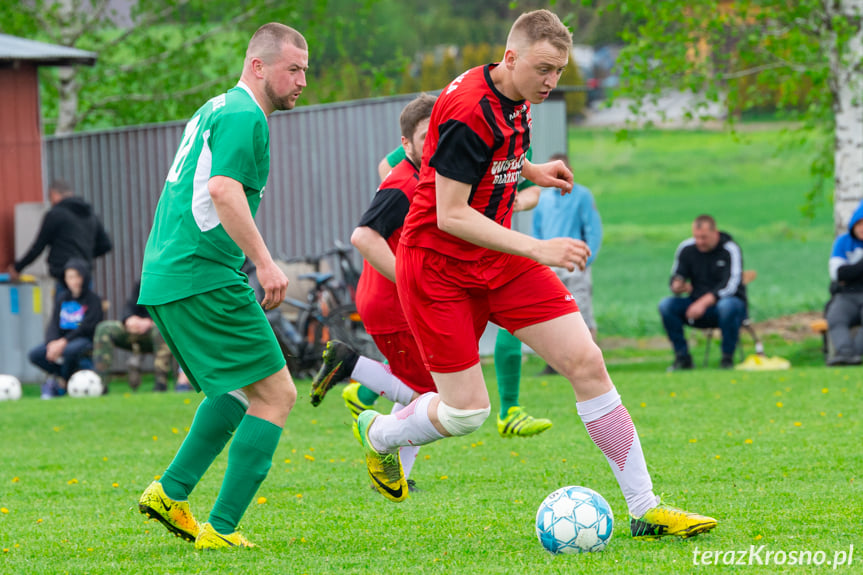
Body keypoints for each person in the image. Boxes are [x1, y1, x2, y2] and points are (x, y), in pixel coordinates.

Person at [352, 9, 717, 541]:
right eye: (544, 69)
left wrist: (534, 171)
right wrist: (538, 247)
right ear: (511, 57)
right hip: (437, 269)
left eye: (559, 72)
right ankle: (380, 433)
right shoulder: (465, 109)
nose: (551, 82)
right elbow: (451, 213)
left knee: (587, 361)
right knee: (467, 413)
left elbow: (494, 155)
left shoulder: (517, 97)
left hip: (495, 260)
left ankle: (646, 507)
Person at [136, 23, 307, 550]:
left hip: (170, 276)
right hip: (202, 275)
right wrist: (265, 262)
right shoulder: (243, 114)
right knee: (277, 394)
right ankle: (222, 530)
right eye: (292, 69)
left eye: (305, 70)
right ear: (258, 66)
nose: (302, 80)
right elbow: (223, 189)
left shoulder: (216, 107)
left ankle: (170, 492)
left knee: (236, 390)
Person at [379, 144, 552, 439]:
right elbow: (388, 166)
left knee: (516, 328)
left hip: (497, 254)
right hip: (446, 262)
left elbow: (533, 190)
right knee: (447, 373)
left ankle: (510, 409)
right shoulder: (455, 123)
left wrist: (510, 201)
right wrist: (425, 201)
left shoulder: (518, 133)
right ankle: (371, 397)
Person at [309, 94, 437, 492]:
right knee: (428, 392)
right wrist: (409, 279)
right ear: (406, 145)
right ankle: (351, 366)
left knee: (426, 387)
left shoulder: (427, 178)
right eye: (424, 135)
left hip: (397, 302)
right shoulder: (402, 184)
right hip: (390, 304)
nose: (434, 142)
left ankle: (397, 474)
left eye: (440, 133)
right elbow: (362, 236)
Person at [531, 152, 602, 375]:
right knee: (552, 313)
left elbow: (593, 230)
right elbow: (537, 231)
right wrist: (540, 259)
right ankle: (556, 362)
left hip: (575, 264)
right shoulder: (543, 199)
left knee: (581, 311)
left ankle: (589, 361)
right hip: (550, 265)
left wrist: (585, 259)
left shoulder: (582, 196)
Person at [659, 214, 746, 370]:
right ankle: (682, 357)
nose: (699, 242)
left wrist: (703, 302)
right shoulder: (686, 248)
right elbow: (677, 275)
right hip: (695, 306)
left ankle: (727, 359)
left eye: (704, 238)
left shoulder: (730, 249)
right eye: (696, 237)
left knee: (727, 306)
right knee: (666, 305)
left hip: (728, 307)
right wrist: (677, 286)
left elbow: (731, 285)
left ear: (715, 233)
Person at [7, 179, 112, 291]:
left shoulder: (56, 214)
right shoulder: (89, 214)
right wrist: (84, 253)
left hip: (65, 277)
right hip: (85, 276)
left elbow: (38, 247)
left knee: (64, 308)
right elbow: (106, 245)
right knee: (85, 308)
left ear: (54, 194)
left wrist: (17, 268)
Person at [93, 280, 192, 392]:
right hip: (135, 330)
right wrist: (129, 319)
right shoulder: (143, 283)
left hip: (159, 331)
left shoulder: (172, 284)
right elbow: (130, 306)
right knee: (104, 328)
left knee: (160, 330)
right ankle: (100, 385)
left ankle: (160, 385)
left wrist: (150, 322)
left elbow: (174, 315)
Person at [29, 258, 103, 399]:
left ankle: (62, 383)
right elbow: (54, 324)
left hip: (83, 340)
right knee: (35, 355)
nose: (73, 281)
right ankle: (64, 376)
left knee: (70, 351)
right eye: (70, 277)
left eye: (76, 276)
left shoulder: (93, 300)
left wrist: (63, 342)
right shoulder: (62, 299)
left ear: (84, 277)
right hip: (61, 341)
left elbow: (87, 327)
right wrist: (51, 342)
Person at [826, 201, 863, 365]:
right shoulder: (843, 242)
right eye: (859, 224)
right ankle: (845, 352)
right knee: (836, 317)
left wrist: (851, 272)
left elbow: (846, 274)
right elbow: (837, 273)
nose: (862, 228)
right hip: (847, 295)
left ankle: (856, 354)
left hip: (852, 289)